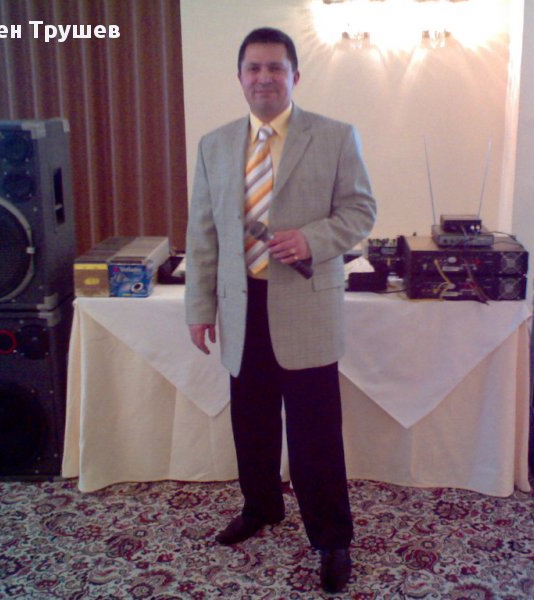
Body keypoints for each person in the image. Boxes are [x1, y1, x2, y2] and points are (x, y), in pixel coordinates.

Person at [184, 27, 376, 594]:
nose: (264, 77)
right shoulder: (215, 145)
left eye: (275, 67)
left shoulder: (335, 136)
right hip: (241, 305)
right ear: (240, 77)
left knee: (316, 433)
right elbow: (203, 235)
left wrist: (312, 239)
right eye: (254, 68)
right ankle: (261, 506)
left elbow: (361, 211)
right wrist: (199, 307)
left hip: (306, 307)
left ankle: (332, 538)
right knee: (252, 423)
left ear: (295, 75)